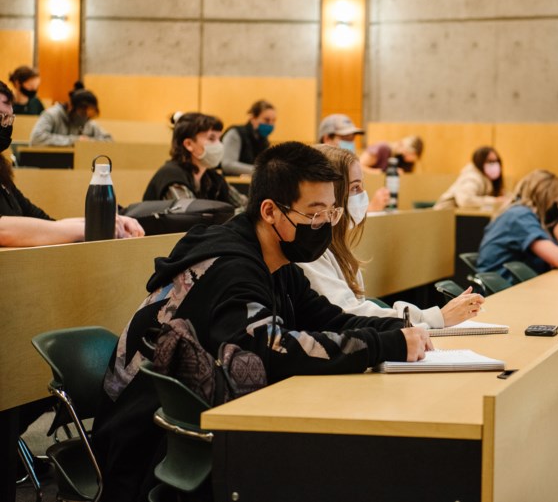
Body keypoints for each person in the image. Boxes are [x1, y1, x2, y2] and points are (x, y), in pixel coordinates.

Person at [92, 141, 433, 502]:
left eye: (332, 212)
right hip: (148, 444)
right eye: (314, 214)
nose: (324, 225)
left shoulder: (277, 263)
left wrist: (404, 330)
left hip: (202, 418)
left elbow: (330, 318)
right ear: (270, 211)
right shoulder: (232, 267)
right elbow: (270, 350)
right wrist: (388, 345)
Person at [300, 144, 484, 327]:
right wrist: (435, 318)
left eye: (362, 186)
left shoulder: (338, 248)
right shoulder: (309, 252)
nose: (363, 195)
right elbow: (348, 313)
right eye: (354, 188)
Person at [0, 81, 144, 246]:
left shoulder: (2, 173)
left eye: (9, 119)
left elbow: (45, 223)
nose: (5, 126)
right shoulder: (52, 115)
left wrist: (106, 222)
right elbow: (3, 229)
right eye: (0, 118)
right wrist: (92, 230)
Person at [476, 169, 558, 277]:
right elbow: (557, 257)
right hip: (500, 294)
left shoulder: (526, 216)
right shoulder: (520, 216)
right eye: (557, 201)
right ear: (546, 197)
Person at [143, 112, 247, 210]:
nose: (219, 145)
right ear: (189, 144)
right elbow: (189, 219)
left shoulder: (212, 177)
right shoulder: (172, 178)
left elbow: (245, 205)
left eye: (219, 139)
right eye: (211, 138)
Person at [29, 81, 112, 146]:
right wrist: (74, 141)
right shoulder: (52, 115)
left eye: (89, 113)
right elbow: (37, 139)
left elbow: (109, 141)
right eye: (82, 112)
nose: (85, 116)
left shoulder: (88, 122)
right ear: (71, 107)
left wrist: (88, 142)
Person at [434, 146, 506, 211]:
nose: (494, 165)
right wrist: (494, 201)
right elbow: (465, 200)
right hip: (444, 217)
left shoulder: (489, 181)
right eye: (490, 161)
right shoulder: (472, 177)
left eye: (496, 161)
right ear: (479, 162)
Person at [221, 99, 276, 175]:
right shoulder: (235, 134)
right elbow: (227, 165)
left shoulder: (263, 140)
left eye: (273, 121)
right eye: (266, 120)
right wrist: (261, 171)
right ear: (253, 118)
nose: (270, 124)